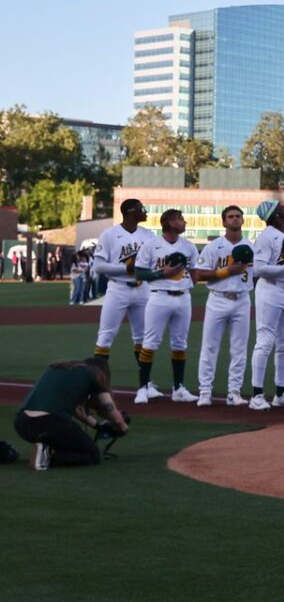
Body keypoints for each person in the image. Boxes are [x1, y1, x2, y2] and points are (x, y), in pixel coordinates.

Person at [13, 357, 128, 470]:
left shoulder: (59, 369)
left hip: (22, 423)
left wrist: (97, 425)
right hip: (48, 422)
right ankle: (49, 455)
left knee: (68, 439)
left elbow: (75, 410)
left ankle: (44, 449)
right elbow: (109, 407)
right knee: (92, 455)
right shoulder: (96, 375)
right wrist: (122, 425)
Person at [131, 209, 196, 403]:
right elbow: (139, 274)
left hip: (183, 297)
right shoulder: (151, 245)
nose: (184, 222)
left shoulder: (189, 246)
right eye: (180, 219)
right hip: (159, 296)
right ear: (169, 222)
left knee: (180, 343)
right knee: (150, 342)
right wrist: (162, 274)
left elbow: (194, 272)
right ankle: (143, 388)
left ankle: (179, 388)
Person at [192, 205, 253, 407]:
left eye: (238, 216)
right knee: (209, 346)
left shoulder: (251, 246)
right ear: (224, 222)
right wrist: (227, 271)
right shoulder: (214, 246)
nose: (235, 219)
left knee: (239, 349)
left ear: (243, 220)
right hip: (217, 298)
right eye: (231, 216)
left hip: (242, 299)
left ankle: (234, 391)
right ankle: (205, 391)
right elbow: (199, 274)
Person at [246, 201, 284, 409]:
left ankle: (281, 392)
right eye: (280, 206)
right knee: (265, 340)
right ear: (275, 214)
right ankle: (257, 395)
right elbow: (259, 270)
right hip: (270, 290)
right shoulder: (266, 236)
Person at [90, 199, 157, 366]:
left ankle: (145, 384)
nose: (145, 212)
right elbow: (98, 266)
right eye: (142, 209)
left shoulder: (149, 235)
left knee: (143, 338)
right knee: (105, 336)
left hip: (143, 289)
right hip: (118, 288)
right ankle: (97, 382)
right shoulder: (109, 234)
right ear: (130, 211)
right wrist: (126, 269)